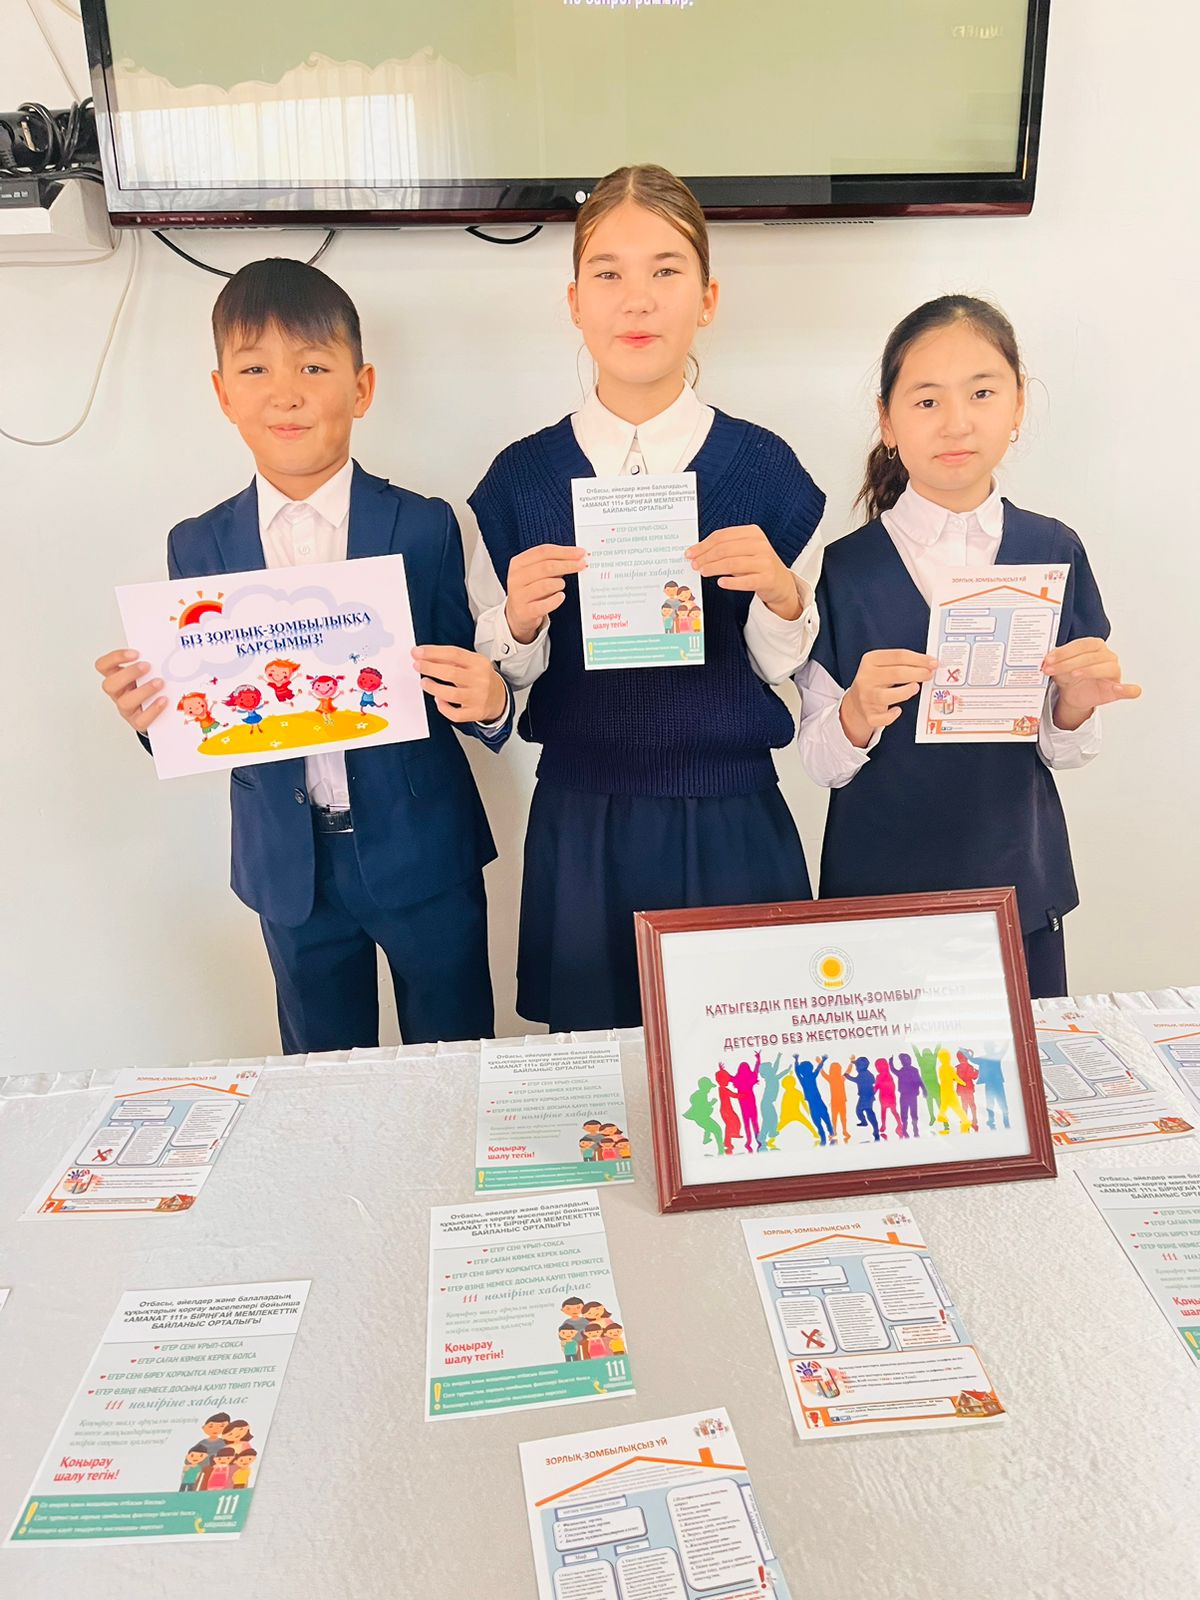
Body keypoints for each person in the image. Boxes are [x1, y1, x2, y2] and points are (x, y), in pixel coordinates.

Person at [94, 259, 513, 1052]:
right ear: (222, 394)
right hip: (288, 866)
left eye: (313, 368)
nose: (285, 394)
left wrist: (490, 702)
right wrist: (153, 717)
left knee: (459, 1061)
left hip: (426, 849)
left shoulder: (424, 525)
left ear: (362, 387)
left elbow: (468, 681)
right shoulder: (198, 544)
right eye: (255, 369)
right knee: (320, 1076)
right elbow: (210, 706)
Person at [471, 164, 825, 1031]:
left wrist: (782, 595)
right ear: (574, 302)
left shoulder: (766, 469)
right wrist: (518, 621)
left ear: (707, 298)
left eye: (666, 270)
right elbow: (501, 679)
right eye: (609, 273)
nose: (637, 299)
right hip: (583, 818)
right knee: (601, 1084)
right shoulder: (520, 479)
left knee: (749, 1067)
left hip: (732, 815)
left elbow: (782, 665)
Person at [795, 295, 1139, 998]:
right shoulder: (843, 569)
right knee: (888, 1072)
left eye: (982, 393)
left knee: (1026, 1062)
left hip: (1017, 885)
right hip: (879, 897)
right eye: (926, 401)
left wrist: (1075, 705)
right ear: (888, 421)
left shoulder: (1053, 549)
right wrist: (856, 712)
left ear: (1018, 406)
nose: (956, 422)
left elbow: (1065, 751)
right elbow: (819, 761)